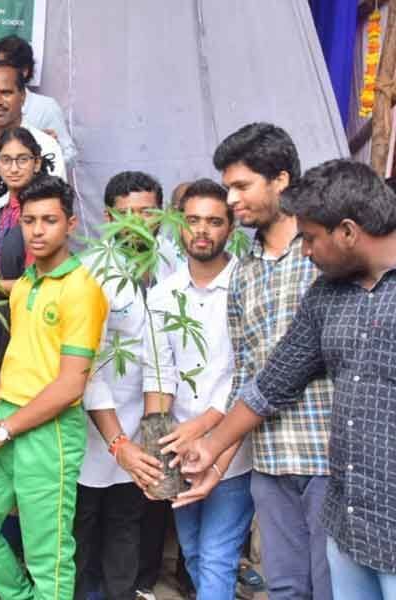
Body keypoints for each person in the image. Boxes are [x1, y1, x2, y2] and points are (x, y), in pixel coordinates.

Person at [180, 159, 396, 599]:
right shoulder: (327, 296)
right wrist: (211, 448)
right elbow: (272, 380)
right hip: (349, 521)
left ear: (349, 232)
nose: (306, 251)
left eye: (312, 239)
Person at [0, 174, 108, 599]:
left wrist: (3, 428)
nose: (38, 231)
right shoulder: (23, 287)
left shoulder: (82, 291)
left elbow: (71, 384)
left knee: (49, 558)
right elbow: (15, 356)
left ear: (71, 225)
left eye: (50, 220)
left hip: (49, 432)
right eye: (30, 220)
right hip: (5, 419)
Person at [214, 123, 333, 600]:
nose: (231, 200)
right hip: (270, 457)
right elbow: (245, 369)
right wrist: (218, 454)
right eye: (228, 188)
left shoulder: (325, 253)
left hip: (332, 454)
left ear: (281, 179)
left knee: (336, 588)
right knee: (284, 588)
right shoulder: (242, 271)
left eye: (241, 186)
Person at [142, 179, 253, 599]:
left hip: (233, 447)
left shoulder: (246, 286)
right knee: (192, 554)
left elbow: (251, 373)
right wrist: (161, 444)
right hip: (179, 449)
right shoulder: (164, 295)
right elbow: (159, 374)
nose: (201, 230)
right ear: (177, 225)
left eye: (213, 221)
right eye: (192, 220)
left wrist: (206, 428)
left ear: (230, 229)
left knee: (218, 554)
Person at [72, 174, 161, 600]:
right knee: (82, 527)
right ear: (107, 218)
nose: (138, 223)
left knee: (128, 523)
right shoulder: (91, 273)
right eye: (126, 215)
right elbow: (86, 367)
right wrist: (117, 439)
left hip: (143, 425)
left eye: (147, 212)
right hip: (96, 427)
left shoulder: (173, 270)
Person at [0, 127, 50, 408]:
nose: (14, 168)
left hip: (22, 325)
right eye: (6, 160)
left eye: (22, 159)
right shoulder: (5, 213)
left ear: (37, 162)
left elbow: (40, 285)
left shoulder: (40, 215)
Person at [0, 62, 65, 240]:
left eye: (6, 93)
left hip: (27, 256)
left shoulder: (45, 145)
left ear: (23, 97)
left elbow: (56, 211)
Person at [0, 35, 77, 162]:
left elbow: (70, 155)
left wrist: (47, 150)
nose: (0, 72)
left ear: (24, 71)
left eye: (7, 66)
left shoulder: (46, 107)